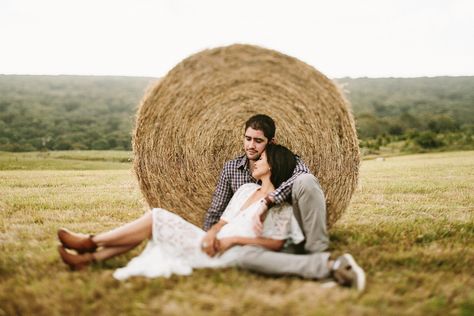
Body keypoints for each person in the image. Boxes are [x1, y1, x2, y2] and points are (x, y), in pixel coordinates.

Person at [58, 144, 304, 279]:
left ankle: (89, 243)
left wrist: (234, 239)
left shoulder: (281, 205)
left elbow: (277, 244)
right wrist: (212, 232)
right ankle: (87, 257)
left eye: (261, 159)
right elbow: (224, 220)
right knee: (156, 223)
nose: (255, 161)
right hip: (212, 241)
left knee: (157, 218)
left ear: (273, 165)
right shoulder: (247, 189)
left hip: (226, 253)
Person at [202, 114, 365, 291]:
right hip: (252, 240)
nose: (251, 145)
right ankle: (324, 267)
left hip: (284, 229)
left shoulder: (286, 161)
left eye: (258, 140)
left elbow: (302, 176)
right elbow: (218, 209)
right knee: (246, 256)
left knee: (307, 181)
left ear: (271, 142)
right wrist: (207, 236)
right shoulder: (232, 169)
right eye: (247, 139)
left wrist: (269, 200)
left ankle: (318, 253)